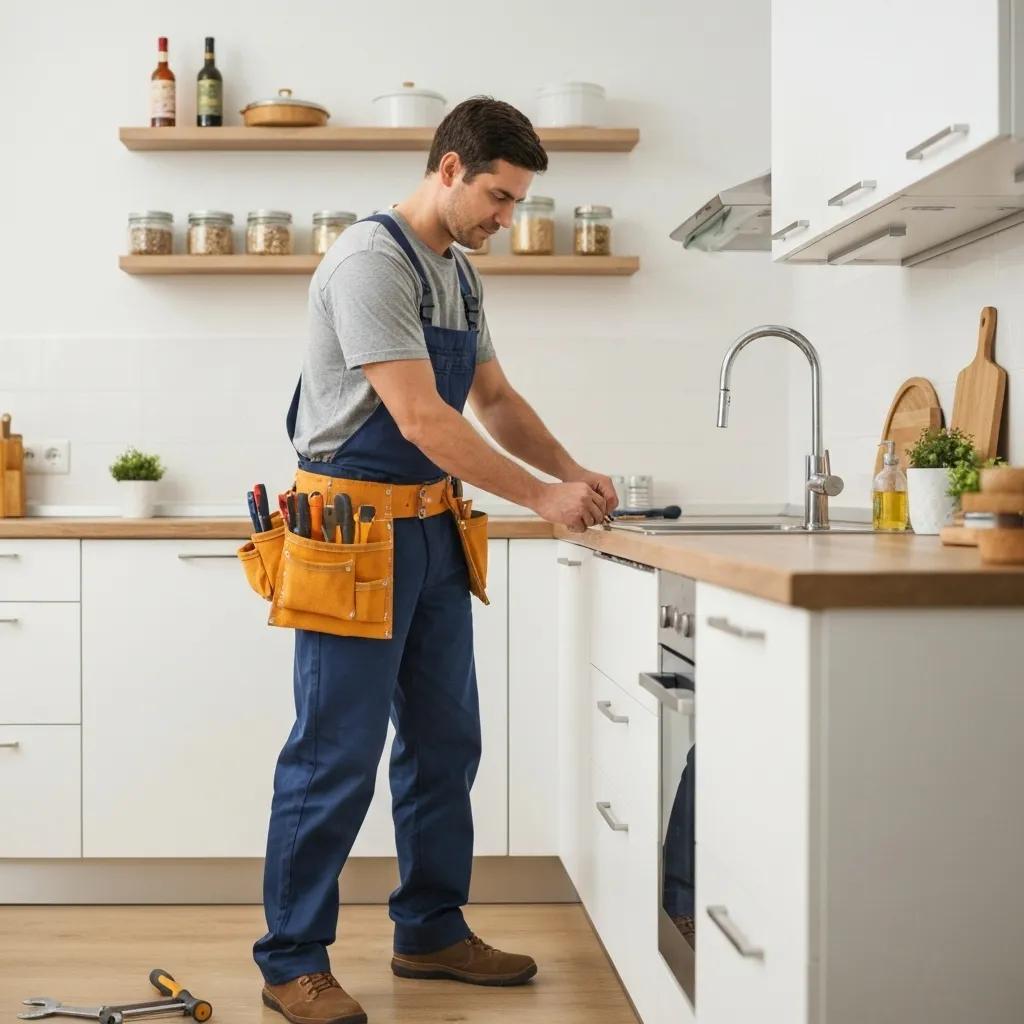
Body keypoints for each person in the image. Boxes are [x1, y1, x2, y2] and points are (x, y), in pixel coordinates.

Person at [253, 96, 618, 1024]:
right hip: (352, 533)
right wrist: (540, 498)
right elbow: (421, 417)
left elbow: (491, 398)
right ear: (449, 168)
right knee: (334, 754)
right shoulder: (371, 260)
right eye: (499, 196)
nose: (508, 217)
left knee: (445, 742)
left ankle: (430, 931)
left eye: (518, 201)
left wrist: (572, 471)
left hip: (435, 528)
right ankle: (292, 958)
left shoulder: (459, 271)